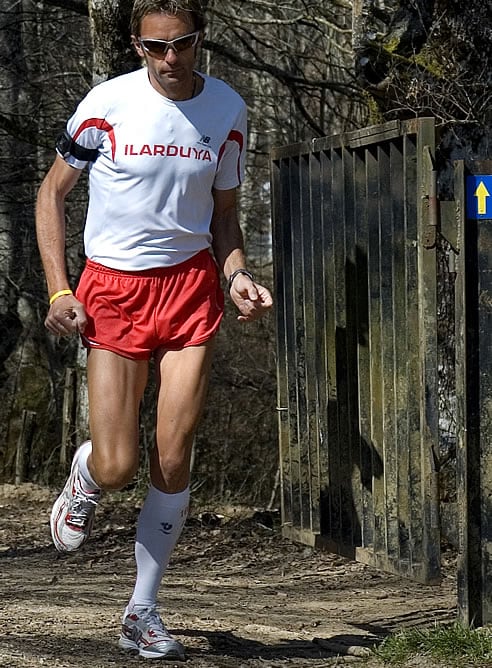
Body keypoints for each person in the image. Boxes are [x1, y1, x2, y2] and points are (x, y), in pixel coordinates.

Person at [35, 0, 272, 660]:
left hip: (190, 288)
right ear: (137, 45)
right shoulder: (105, 104)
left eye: (184, 44)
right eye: (155, 48)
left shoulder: (227, 109)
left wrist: (237, 277)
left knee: (174, 455)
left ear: (201, 39)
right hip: (112, 289)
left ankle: (142, 611)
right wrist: (60, 288)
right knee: (119, 466)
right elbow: (51, 194)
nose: (171, 59)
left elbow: (224, 217)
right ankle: (85, 476)